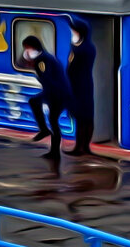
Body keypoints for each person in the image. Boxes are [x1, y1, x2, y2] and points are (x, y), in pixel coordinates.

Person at [22, 35, 71, 159]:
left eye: (27, 48)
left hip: (57, 94)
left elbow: (46, 79)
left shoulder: (42, 60)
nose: (26, 51)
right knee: (36, 104)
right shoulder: (46, 57)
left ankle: (52, 147)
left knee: (52, 120)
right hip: (57, 92)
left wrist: (47, 100)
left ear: (32, 47)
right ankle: (46, 135)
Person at [66, 19, 96, 156]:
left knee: (80, 117)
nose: (72, 33)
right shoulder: (90, 47)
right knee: (87, 117)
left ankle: (79, 148)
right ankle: (86, 147)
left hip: (77, 86)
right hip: (87, 84)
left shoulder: (78, 50)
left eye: (74, 31)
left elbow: (71, 69)